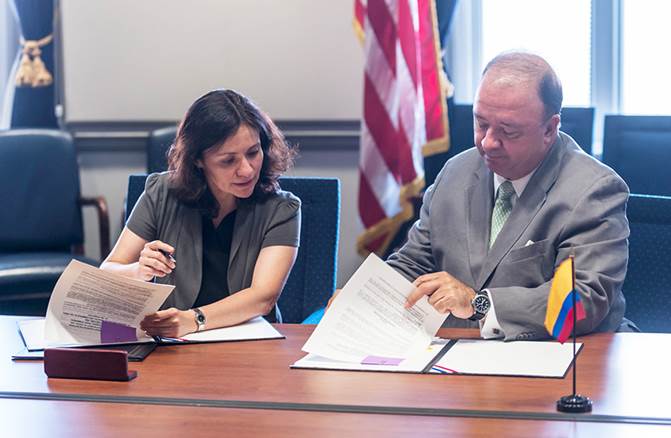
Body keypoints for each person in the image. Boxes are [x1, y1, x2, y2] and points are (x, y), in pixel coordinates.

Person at [388, 51, 634, 341]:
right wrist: (365, 294)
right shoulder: (455, 172)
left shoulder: (594, 189)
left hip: (569, 355)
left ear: (550, 129)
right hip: (463, 352)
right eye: (480, 124)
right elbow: (413, 263)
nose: (488, 143)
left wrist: (478, 303)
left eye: (508, 131)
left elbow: (582, 299)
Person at [101, 89, 300, 337]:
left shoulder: (281, 209)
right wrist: (139, 271)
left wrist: (193, 320)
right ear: (197, 160)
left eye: (253, 152)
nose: (247, 170)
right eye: (228, 161)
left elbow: (263, 298)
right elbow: (108, 273)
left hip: (249, 342)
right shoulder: (161, 192)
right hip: (171, 343)